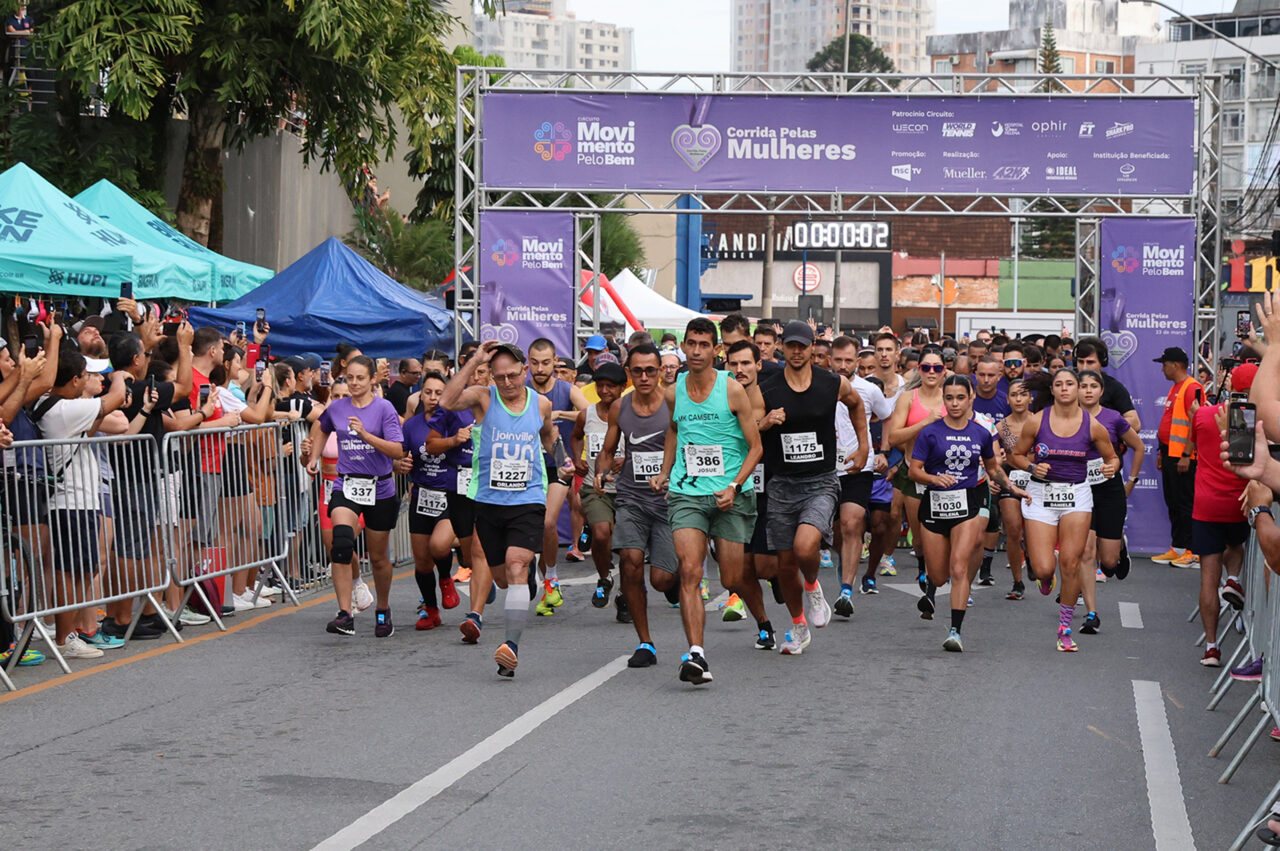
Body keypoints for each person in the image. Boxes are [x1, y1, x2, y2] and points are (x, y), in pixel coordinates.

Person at [654, 317, 770, 684]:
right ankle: (696, 654)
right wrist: (664, 469)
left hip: (730, 496)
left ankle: (740, 578)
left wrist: (735, 485)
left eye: (705, 345)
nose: (697, 351)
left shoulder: (732, 389)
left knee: (732, 576)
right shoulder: (674, 392)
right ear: (683, 347)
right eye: (692, 344)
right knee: (689, 570)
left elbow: (757, 447)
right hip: (687, 492)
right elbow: (674, 430)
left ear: (716, 350)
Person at [441, 341, 558, 678]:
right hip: (490, 501)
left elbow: (548, 436)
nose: (507, 383)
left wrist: (562, 460)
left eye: (512, 375)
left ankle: (511, 646)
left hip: (529, 499)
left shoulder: (542, 404)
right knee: (503, 579)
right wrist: (475, 361)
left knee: (516, 564)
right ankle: (526, 575)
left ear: (524, 371)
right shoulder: (483, 398)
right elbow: (447, 402)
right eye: (499, 377)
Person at [759, 321, 867, 655]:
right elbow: (748, 426)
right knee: (784, 564)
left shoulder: (832, 382)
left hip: (820, 481)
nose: (795, 351)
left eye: (801, 346)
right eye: (789, 345)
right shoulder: (768, 388)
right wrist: (765, 422)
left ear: (811, 348)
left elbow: (856, 405)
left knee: (805, 547)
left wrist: (863, 446)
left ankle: (813, 586)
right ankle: (798, 625)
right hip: (781, 483)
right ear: (782, 346)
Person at [910, 375, 1025, 651]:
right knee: (938, 576)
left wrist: (1010, 486)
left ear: (971, 397)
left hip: (968, 503)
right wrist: (934, 479)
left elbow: (992, 468)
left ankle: (955, 631)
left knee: (959, 566)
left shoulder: (981, 433)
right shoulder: (930, 432)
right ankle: (934, 590)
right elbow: (915, 470)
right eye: (949, 398)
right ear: (943, 399)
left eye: (960, 397)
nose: (954, 403)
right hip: (936, 503)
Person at [1011, 368, 1119, 652]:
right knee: (1045, 567)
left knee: (1071, 563)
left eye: (1070, 383)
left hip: (1077, 495)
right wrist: (1033, 467)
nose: (1065, 389)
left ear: (1077, 389)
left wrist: (1111, 467)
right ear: (1053, 390)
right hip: (1041, 495)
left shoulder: (1093, 425)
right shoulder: (1037, 421)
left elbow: (1112, 458)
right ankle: (1045, 576)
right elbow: (1016, 455)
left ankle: (1065, 628)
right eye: (1059, 384)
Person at [37, 350, 128, 660]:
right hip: (71, 501)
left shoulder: (57, 406)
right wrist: (118, 378)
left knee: (80, 572)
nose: (95, 380)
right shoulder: (61, 408)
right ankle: (65, 637)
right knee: (70, 574)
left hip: (78, 500)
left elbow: (99, 420)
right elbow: (112, 400)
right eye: (88, 376)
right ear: (75, 380)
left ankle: (69, 633)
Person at [307, 356, 405, 637]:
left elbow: (398, 451)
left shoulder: (384, 409)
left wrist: (366, 435)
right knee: (341, 543)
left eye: (360, 378)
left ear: (373, 379)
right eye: (350, 377)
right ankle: (344, 614)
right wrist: (313, 456)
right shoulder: (337, 408)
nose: (354, 383)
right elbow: (321, 427)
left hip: (381, 488)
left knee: (377, 558)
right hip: (346, 485)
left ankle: (383, 609)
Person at [597, 344, 678, 667]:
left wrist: (675, 477)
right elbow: (608, 447)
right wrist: (602, 471)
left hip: (669, 501)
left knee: (660, 579)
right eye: (637, 371)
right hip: (631, 497)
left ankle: (673, 584)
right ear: (628, 373)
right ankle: (645, 643)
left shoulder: (674, 404)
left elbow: (690, 443)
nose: (644, 377)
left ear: (661, 371)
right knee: (630, 561)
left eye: (650, 370)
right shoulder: (620, 407)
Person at [1189, 363, 1255, 666]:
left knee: (1206, 577)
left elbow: (1192, 447)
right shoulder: (1258, 419)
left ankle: (1212, 648)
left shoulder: (1202, 414)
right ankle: (1233, 578)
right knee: (1236, 546)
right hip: (1239, 503)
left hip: (1206, 504)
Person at [1077, 369, 1145, 633]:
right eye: (1084, 386)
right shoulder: (1068, 418)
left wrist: (1132, 480)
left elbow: (1138, 447)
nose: (1089, 391)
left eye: (1094, 386)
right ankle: (1091, 613)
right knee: (1085, 552)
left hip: (1109, 490)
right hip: (1081, 491)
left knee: (1107, 562)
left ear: (1102, 391)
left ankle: (1119, 550)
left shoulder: (1113, 418)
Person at [396, 371, 461, 632]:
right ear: (420, 395)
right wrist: (398, 464)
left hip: (449, 494)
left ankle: (445, 577)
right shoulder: (411, 426)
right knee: (422, 560)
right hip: (421, 495)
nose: (433, 398)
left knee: (438, 545)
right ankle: (431, 610)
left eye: (439, 393)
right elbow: (400, 455)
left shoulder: (454, 420)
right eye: (428, 392)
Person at [829, 336, 892, 605]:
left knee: (852, 524)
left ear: (857, 361)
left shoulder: (869, 390)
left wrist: (884, 451)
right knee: (834, 531)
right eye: (838, 360)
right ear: (830, 360)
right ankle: (846, 558)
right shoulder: (819, 385)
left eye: (848, 360)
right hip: (824, 468)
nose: (843, 366)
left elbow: (887, 415)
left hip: (858, 466)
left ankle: (846, 590)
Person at [569, 361, 628, 617]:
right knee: (602, 534)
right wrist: (578, 459)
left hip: (628, 489)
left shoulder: (632, 414)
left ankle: (626, 595)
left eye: (611, 387)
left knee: (628, 547)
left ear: (622, 388)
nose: (605, 391)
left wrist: (628, 460)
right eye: (600, 385)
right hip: (597, 487)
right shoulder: (587, 414)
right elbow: (575, 436)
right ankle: (605, 578)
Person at [887, 346, 947, 591]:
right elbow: (893, 437)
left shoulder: (952, 397)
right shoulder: (907, 398)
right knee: (920, 538)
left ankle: (950, 575)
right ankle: (923, 570)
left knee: (947, 531)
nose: (931, 372)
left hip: (947, 475)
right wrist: (926, 422)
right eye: (926, 367)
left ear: (944, 371)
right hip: (915, 473)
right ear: (918, 370)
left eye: (937, 368)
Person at [1152, 346, 1203, 567]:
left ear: (1176, 365)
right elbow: (1171, 424)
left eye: (1164, 364)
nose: (1163, 369)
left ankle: (1193, 550)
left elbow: (1196, 423)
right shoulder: (1175, 388)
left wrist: (1186, 454)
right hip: (1170, 454)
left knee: (1186, 504)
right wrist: (1161, 452)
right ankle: (1178, 547)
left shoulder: (1192, 387)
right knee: (1173, 502)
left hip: (1184, 457)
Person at [971, 356, 1012, 586]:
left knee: (992, 514)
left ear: (999, 376)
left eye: (991, 375)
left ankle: (985, 567)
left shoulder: (1004, 401)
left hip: (995, 465)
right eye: (982, 375)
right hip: (966, 465)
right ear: (975, 374)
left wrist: (1003, 457)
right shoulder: (967, 398)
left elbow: (1011, 438)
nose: (986, 380)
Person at [995, 380, 1032, 600]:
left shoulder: (1040, 422)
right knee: (1013, 528)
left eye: (1023, 394)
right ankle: (1018, 582)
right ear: (1007, 399)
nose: (1018, 399)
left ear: (1030, 398)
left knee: (1033, 532)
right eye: (1014, 395)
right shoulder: (1000, 427)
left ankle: (1034, 559)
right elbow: (993, 459)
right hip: (1010, 479)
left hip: (1038, 479)